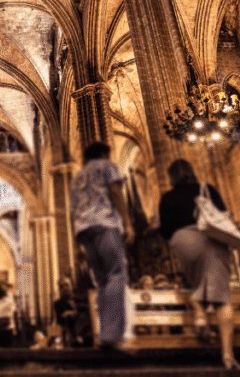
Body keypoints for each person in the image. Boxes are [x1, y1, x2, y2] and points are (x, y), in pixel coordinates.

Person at [158, 159, 239, 369]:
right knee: (222, 298)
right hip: (209, 238)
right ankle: (227, 355)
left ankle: (201, 316)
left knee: (196, 283)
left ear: (171, 177)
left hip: (183, 243)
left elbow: (165, 230)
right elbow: (223, 215)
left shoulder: (167, 198)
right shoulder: (206, 189)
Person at [69, 141, 133, 350]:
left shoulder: (77, 177)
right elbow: (115, 192)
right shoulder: (106, 165)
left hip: (83, 231)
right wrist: (127, 222)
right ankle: (112, 336)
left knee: (103, 282)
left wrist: (75, 244)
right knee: (116, 274)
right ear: (104, 153)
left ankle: (105, 332)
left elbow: (72, 211)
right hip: (104, 224)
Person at [53, 276, 92, 347]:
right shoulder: (58, 304)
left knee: (83, 316)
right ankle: (80, 337)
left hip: (87, 325)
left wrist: (74, 312)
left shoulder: (82, 298)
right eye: (61, 286)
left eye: (66, 285)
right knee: (82, 316)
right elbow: (59, 319)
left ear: (72, 286)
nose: (64, 288)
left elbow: (89, 309)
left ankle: (80, 337)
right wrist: (67, 315)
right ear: (59, 290)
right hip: (71, 326)